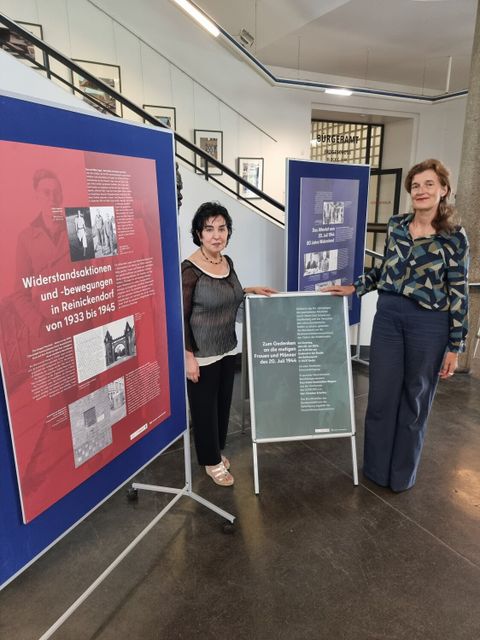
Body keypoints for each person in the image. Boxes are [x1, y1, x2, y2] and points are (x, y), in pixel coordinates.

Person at [322, 159, 469, 492]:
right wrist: (355, 287)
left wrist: (455, 346)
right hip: (388, 316)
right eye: (415, 185)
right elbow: (384, 269)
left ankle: (401, 475)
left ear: (443, 189)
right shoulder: (397, 225)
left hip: (430, 324)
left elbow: (459, 293)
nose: (421, 191)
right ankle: (375, 470)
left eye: (428, 184)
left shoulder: (454, 237)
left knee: (414, 400)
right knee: (381, 398)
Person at [182, 202, 276, 486]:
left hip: (226, 347)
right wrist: (187, 356)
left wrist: (249, 289)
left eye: (221, 228)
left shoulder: (226, 262)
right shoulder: (190, 270)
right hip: (202, 353)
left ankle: (215, 451)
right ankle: (211, 462)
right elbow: (180, 316)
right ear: (199, 234)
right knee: (204, 410)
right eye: (209, 229)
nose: (216, 235)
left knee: (223, 406)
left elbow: (226, 292)